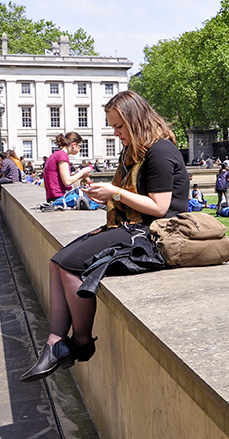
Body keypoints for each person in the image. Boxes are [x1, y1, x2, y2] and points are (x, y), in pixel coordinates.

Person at [20, 90, 189, 383]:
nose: (116, 133)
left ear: (137, 122)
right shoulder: (133, 151)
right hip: (131, 227)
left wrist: (115, 192)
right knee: (56, 262)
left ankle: (82, 343)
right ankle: (54, 343)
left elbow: (161, 208)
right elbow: (129, 198)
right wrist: (106, 196)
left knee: (73, 267)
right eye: (113, 126)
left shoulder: (160, 151)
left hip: (154, 236)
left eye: (120, 126)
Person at [43, 132, 94, 202]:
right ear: (73, 145)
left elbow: (61, 178)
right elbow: (67, 181)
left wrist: (79, 176)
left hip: (53, 196)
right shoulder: (62, 156)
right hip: (59, 197)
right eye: (79, 146)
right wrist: (82, 172)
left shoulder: (56, 154)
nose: (80, 149)